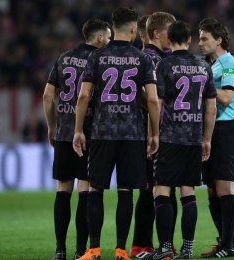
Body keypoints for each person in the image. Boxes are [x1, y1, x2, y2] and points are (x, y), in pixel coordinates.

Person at [73, 7, 160, 260]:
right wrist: (154, 133)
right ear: (134, 30)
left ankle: (94, 249)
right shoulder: (142, 59)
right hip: (132, 134)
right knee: (125, 191)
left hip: (102, 132)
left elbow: (84, 95)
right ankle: (121, 250)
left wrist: (79, 130)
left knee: (95, 190)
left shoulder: (97, 57)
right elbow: (153, 101)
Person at [141, 20, 217, 260]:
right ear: (189, 40)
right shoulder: (203, 66)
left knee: (161, 190)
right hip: (194, 138)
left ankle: (164, 249)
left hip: (170, 138)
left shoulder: (164, 65)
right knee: (188, 192)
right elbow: (211, 108)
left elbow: (159, 103)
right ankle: (187, 248)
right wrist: (207, 139)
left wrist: (154, 134)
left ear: (169, 40)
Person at [42, 18, 111, 260]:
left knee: (63, 189)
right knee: (85, 189)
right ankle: (81, 250)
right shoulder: (101, 60)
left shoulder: (64, 57)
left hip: (63, 133)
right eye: (109, 38)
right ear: (99, 38)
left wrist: (52, 126)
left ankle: (59, 250)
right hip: (89, 134)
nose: (110, 42)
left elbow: (48, 96)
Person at [131, 11, 177, 258]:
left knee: (163, 190)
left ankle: (163, 244)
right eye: (170, 32)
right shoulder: (149, 57)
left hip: (163, 133)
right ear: (157, 34)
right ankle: (141, 245)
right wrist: (153, 132)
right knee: (150, 190)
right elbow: (147, 97)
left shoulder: (162, 57)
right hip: (150, 133)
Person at [198, 18, 234, 258]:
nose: (200, 43)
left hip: (225, 129)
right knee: (213, 188)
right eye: (199, 38)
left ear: (218, 40)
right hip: (212, 129)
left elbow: (226, 97)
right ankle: (225, 241)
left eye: (204, 38)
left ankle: (231, 244)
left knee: (226, 187)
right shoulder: (212, 64)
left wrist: (200, 88)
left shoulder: (226, 62)